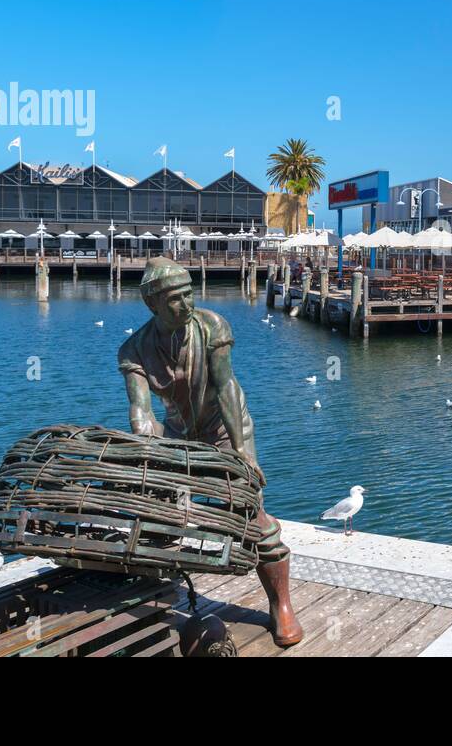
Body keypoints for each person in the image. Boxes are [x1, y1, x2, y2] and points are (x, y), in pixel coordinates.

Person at [118, 257, 303, 647]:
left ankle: (280, 606)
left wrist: (241, 453)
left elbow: (226, 387)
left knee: (251, 513)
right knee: (159, 512)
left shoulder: (212, 326)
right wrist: (147, 451)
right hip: (178, 434)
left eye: (188, 295)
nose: (185, 304)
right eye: (174, 299)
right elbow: (140, 410)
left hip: (225, 426)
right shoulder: (134, 350)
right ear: (152, 303)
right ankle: (157, 596)